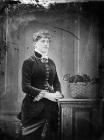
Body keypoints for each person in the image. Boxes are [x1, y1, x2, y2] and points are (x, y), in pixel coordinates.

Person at [20, 29, 64, 140]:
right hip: (33, 109)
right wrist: (47, 95)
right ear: (35, 43)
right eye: (43, 41)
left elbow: (56, 82)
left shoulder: (52, 62)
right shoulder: (28, 62)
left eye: (48, 41)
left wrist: (58, 92)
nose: (46, 44)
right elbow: (25, 86)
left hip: (51, 109)